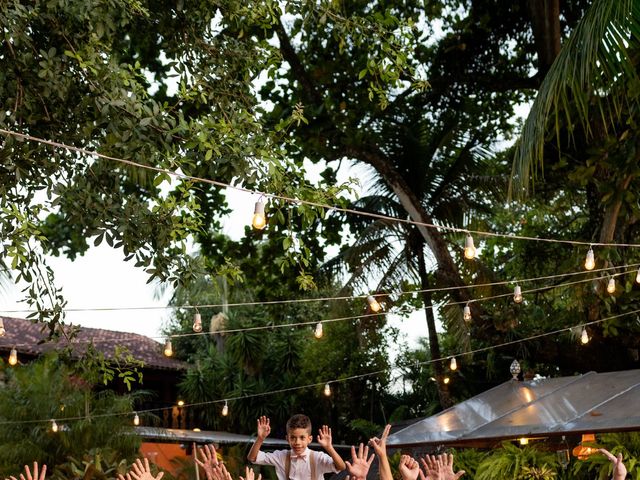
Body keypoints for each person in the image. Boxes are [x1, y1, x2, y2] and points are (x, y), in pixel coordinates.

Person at [247, 414, 346, 480]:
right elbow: (252, 458)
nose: (297, 442)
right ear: (287, 439)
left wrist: (329, 447)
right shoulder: (281, 456)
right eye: (293, 437)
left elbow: (341, 467)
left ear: (309, 439)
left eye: (302, 437)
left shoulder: (317, 457)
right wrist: (260, 438)